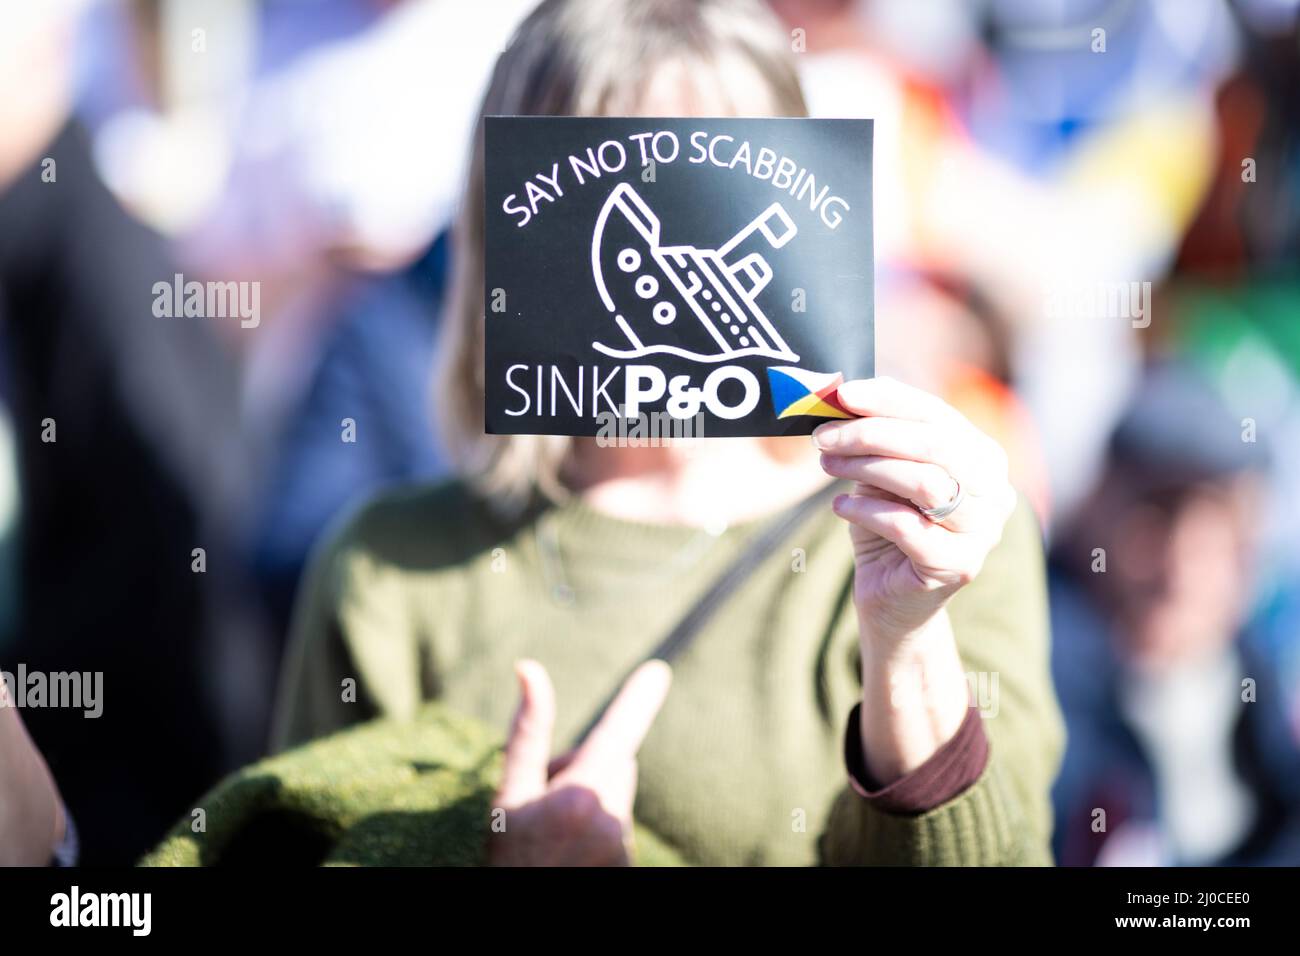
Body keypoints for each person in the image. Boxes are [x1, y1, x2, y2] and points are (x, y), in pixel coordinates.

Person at [271, 0, 1064, 866]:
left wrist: (906, 636)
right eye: (614, 172)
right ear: (503, 227)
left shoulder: (932, 534)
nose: (681, 226)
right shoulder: (391, 569)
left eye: (715, 181)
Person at [1050, 361, 1300, 866]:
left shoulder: (1253, 670)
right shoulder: (1039, 657)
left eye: (1213, 539)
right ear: (1096, 515)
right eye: (1154, 521)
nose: (1178, 571)